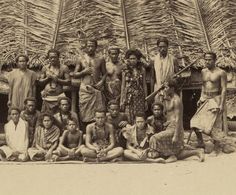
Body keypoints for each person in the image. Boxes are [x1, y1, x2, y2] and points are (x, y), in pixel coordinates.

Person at [149, 79, 205, 163]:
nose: (164, 89)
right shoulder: (166, 98)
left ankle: (195, 152)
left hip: (175, 127)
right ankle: (197, 152)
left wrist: (176, 134)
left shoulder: (176, 100)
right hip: (167, 126)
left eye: (166, 87)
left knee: (154, 138)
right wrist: (159, 91)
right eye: (164, 87)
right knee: (177, 153)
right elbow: (153, 102)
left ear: (172, 88)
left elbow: (179, 119)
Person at [191, 52, 232, 153]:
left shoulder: (221, 73)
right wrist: (200, 98)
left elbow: (223, 89)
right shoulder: (203, 71)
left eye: (209, 60)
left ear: (214, 60)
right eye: (206, 59)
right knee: (194, 122)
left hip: (215, 100)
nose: (207, 61)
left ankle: (216, 148)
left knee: (214, 126)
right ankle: (200, 142)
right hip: (205, 98)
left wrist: (222, 104)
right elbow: (203, 85)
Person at [72, 39, 106, 131]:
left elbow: (104, 74)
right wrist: (83, 72)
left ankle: (96, 133)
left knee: (98, 113)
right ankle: (85, 133)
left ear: (96, 47)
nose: (90, 48)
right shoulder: (81, 59)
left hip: (96, 89)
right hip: (85, 90)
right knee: (84, 112)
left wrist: (101, 82)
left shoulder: (100, 59)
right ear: (86, 47)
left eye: (92, 46)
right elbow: (75, 73)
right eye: (88, 46)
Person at [120, 49, 147, 124]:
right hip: (128, 96)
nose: (132, 60)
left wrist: (146, 99)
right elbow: (123, 85)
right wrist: (122, 100)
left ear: (138, 59)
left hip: (139, 96)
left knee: (139, 115)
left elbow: (144, 84)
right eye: (130, 59)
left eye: (134, 58)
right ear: (128, 59)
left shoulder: (142, 70)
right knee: (129, 116)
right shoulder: (125, 70)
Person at [39, 49, 70, 113]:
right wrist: (48, 78)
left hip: (59, 97)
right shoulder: (45, 68)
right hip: (47, 97)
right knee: (46, 117)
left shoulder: (64, 68)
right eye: (51, 57)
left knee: (59, 117)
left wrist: (57, 79)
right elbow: (40, 82)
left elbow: (68, 81)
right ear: (48, 58)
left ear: (58, 57)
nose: (53, 59)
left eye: (55, 57)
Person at [151, 37, 179, 102]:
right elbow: (152, 78)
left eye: (164, 47)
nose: (162, 49)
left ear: (167, 47)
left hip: (170, 89)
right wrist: (152, 93)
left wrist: (171, 82)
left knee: (171, 109)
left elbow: (177, 76)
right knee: (158, 109)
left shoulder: (173, 60)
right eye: (160, 47)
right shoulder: (154, 60)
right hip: (158, 89)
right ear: (157, 47)